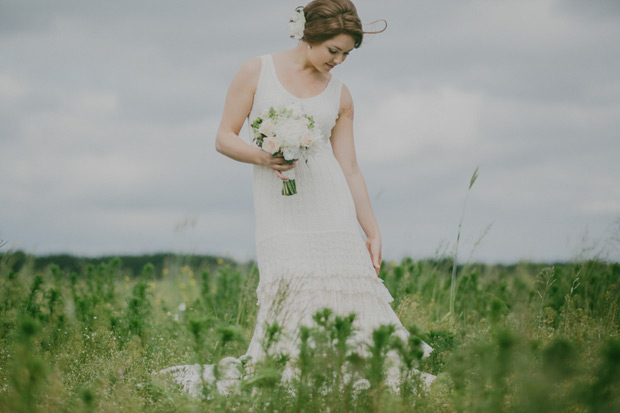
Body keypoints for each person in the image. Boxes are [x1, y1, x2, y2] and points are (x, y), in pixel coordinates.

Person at [156, 0, 436, 397]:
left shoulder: (341, 95)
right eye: (332, 50)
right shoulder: (258, 70)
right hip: (279, 206)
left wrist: (371, 230)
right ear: (309, 36)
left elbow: (351, 168)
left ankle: (349, 373)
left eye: (346, 54)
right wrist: (263, 156)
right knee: (291, 286)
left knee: (342, 292)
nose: (338, 61)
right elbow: (224, 137)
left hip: (330, 202)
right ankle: (292, 371)